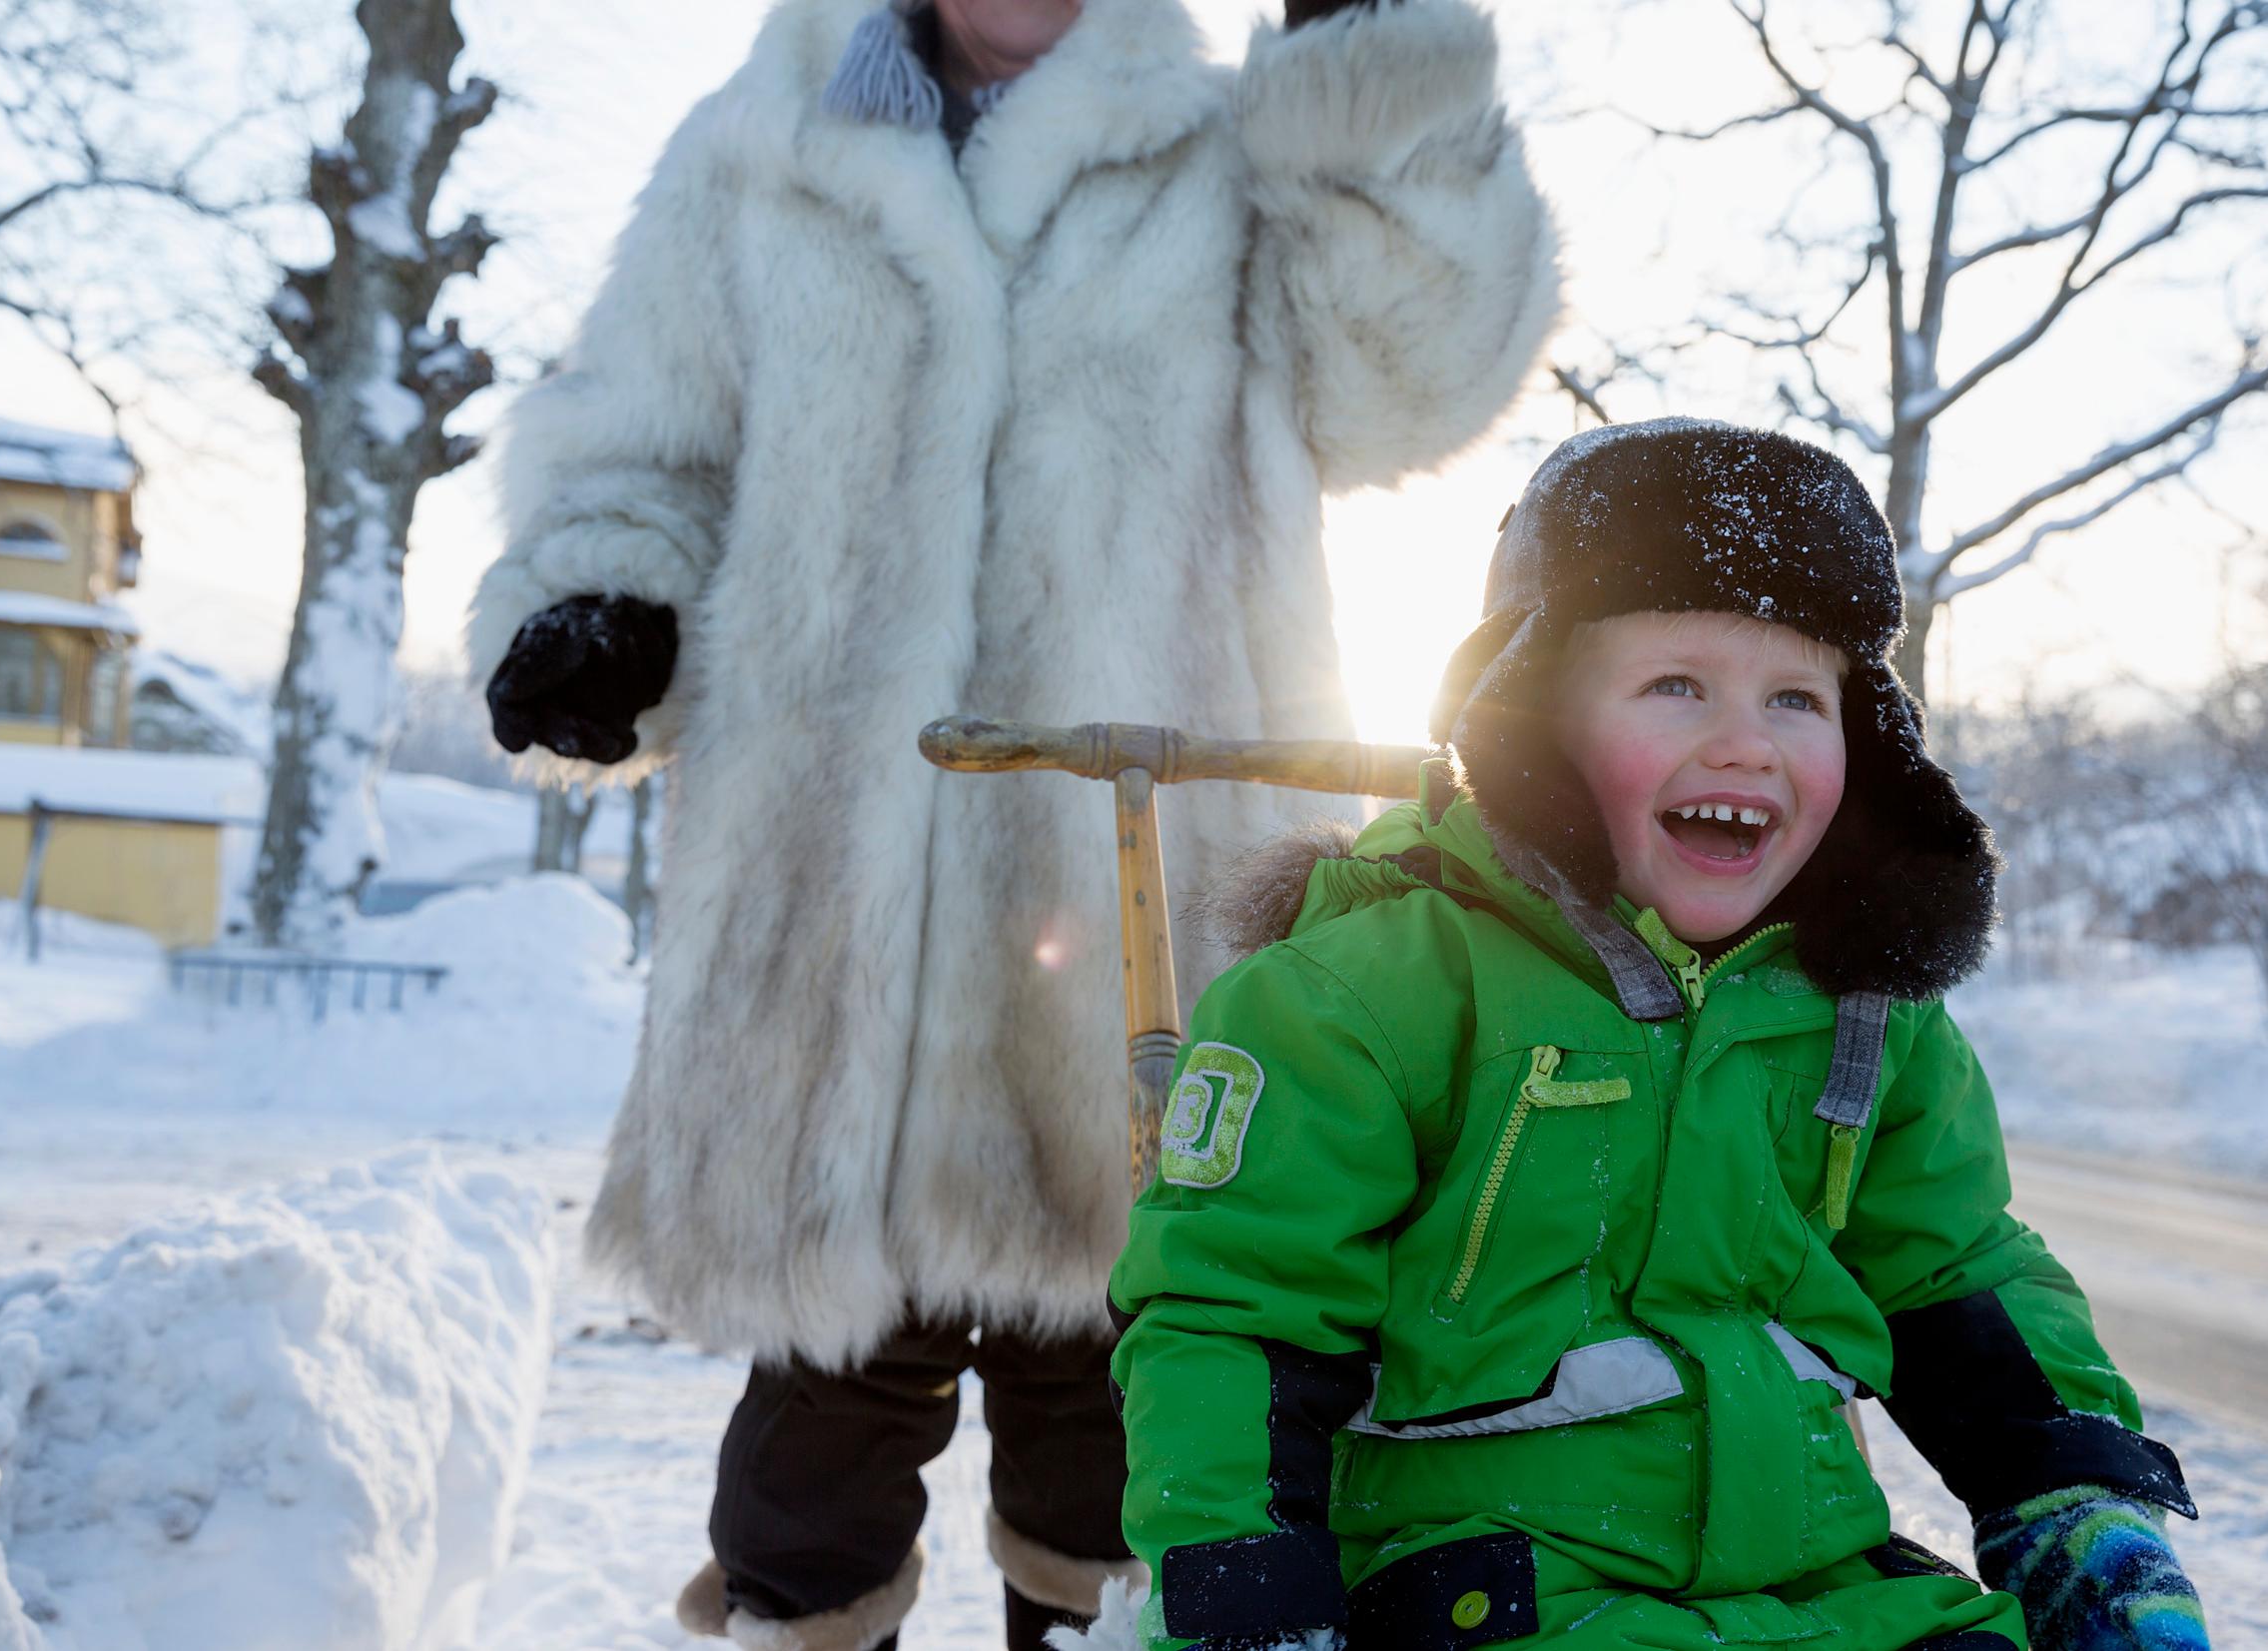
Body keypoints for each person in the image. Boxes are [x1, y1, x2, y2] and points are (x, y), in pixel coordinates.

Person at [464, 0, 1558, 1644]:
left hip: (1139, 931)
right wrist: (598, 593)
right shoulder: (759, 153)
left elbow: (1417, 379)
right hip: (835, 931)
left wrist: (1372, 73)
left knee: (1136, 1424)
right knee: (808, 1452)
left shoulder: (1226, 147)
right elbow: (640, 440)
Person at [1098, 420, 2209, 1651]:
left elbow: (1957, 1275)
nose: (1744, 741)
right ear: (1535, 725)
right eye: (1674, 685)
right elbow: (1235, 1315)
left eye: (1796, 697)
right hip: (1475, 1592)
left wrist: (2071, 1496)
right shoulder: (1366, 995)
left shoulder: (1859, 1014)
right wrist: (1243, 1599)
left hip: (1814, 1585)